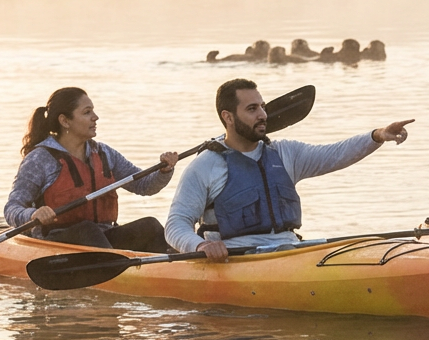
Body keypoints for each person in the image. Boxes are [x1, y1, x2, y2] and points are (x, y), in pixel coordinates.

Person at [165, 78, 413, 260]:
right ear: (228, 117)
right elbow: (176, 224)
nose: (263, 114)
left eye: (262, 106)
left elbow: (336, 154)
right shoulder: (206, 165)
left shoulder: (285, 153)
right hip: (238, 258)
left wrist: (378, 135)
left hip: (290, 251)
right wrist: (200, 246)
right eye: (252, 109)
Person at [5, 87, 178, 253]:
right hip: (57, 242)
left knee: (150, 226)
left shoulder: (104, 153)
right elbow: (12, 208)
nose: (95, 117)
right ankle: (114, 269)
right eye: (87, 112)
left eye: (93, 111)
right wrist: (33, 214)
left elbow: (144, 186)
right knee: (87, 230)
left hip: (102, 237)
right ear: (65, 121)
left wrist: (164, 171)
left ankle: (170, 268)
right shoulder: (39, 159)